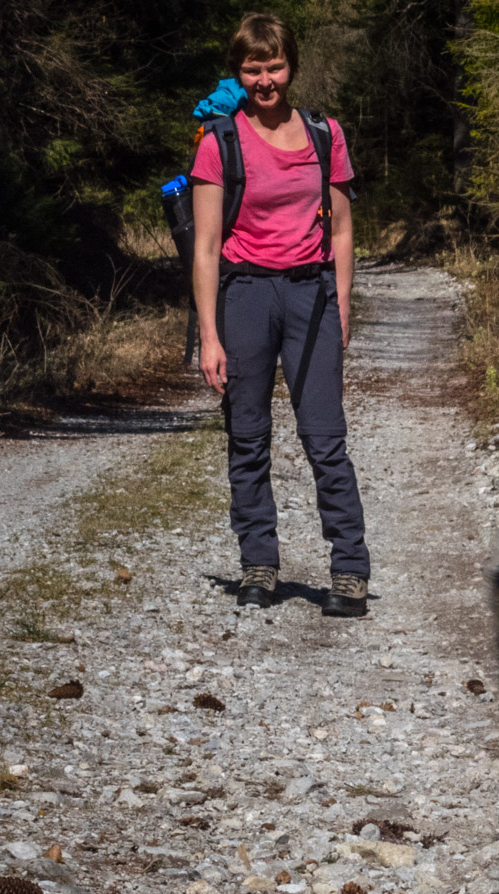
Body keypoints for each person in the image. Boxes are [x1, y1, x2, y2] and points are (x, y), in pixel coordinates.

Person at [191, 13, 369, 617]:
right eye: (251, 69)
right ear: (237, 72)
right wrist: (210, 335)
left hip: (311, 294)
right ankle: (259, 564)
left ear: (291, 66)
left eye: (274, 67)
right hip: (245, 295)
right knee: (248, 436)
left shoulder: (324, 133)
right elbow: (206, 247)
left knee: (324, 439)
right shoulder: (220, 141)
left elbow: (342, 229)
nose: (264, 80)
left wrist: (341, 304)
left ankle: (348, 572)